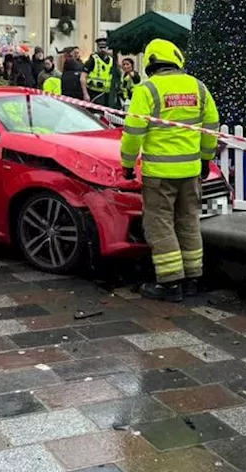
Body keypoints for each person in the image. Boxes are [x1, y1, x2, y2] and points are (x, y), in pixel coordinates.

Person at [120, 38, 219, 302]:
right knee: (188, 221)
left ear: (151, 62)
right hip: (191, 172)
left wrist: (127, 165)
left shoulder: (147, 90)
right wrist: (206, 158)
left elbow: (132, 133)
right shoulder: (198, 87)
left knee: (160, 225)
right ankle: (192, 279)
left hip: (159, 174)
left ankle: (170, 283)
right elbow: (211, 125)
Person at [84, 38, 116, 105]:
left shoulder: (111, 60)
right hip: (94, 92)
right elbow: (83, 78)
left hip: (107, 94)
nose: (102, 49)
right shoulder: (92, 59)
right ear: (97, 47)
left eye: (104, 47)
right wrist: (85, 94)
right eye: (100, 47)